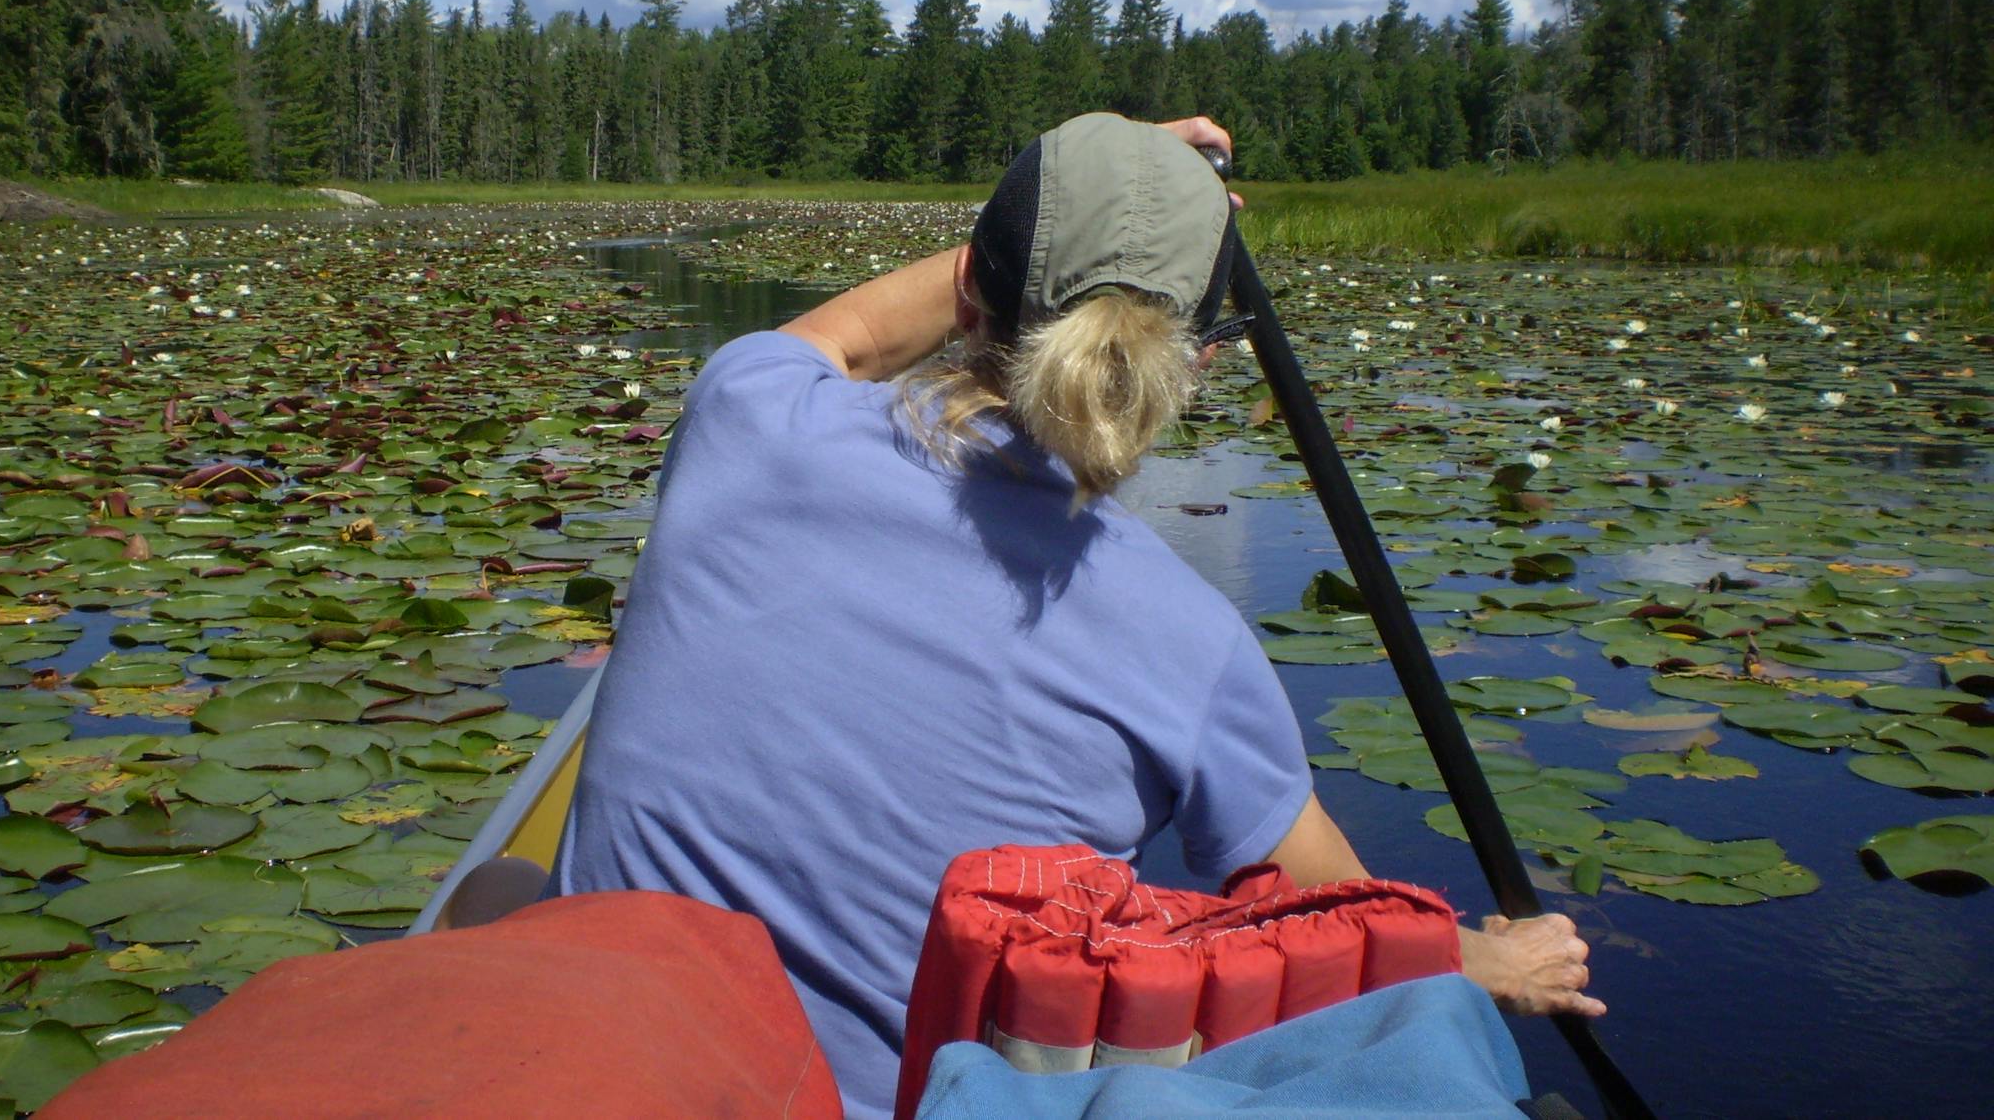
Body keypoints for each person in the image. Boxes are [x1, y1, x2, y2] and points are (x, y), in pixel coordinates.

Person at [555, 113, 1600, 1120]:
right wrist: (1482, 960)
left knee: (501, 895)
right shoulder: (1190, 645)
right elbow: (1337, 925)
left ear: (970, 296)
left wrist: (1084, 182)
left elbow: (860, 340)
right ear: (1201, 361)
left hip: (606, 1063)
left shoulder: (749, 411)